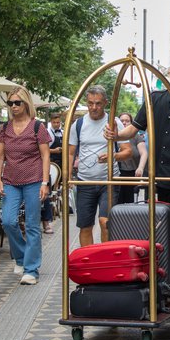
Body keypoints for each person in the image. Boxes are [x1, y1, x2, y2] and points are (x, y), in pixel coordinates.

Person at [105, 51, 170, 248]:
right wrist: (117, 135)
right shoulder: (155, 99)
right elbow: (134, 128)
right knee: (153, 231)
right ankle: (154, 275)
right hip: (155, 177)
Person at [0, 86, 51, 285]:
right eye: (10, 103)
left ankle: (31, 269)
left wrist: (45, 182)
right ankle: (20, 257)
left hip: (34, 181)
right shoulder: (4, 128)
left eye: (17, 102)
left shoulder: (38, 127)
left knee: (32, 225)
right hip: (10, 181)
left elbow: (46, 155)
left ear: (26, 103)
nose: (13, 106)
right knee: (8, 221)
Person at [68, 85, 131, 247]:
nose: (93, 107)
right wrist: (67, 179)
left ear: (105, 103)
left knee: (105, 222)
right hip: (85, 182)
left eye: (98, 103)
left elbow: (128, 151)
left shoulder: (114, 122)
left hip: (109, 182)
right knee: (85, 226)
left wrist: (113, 156)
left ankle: (106, 260)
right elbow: (70, 153)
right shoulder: (78, 124)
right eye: (90, 103)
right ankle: (90, 263)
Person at [116, 112, 147, 204]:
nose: (124, 123)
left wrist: (140, 167)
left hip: (131, 173)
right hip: (117, 173)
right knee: (117, 200)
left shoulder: (136, 137)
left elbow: (144, 153)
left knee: (130, 200)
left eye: (127, 121)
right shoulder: (113, 136)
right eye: (122, 121)